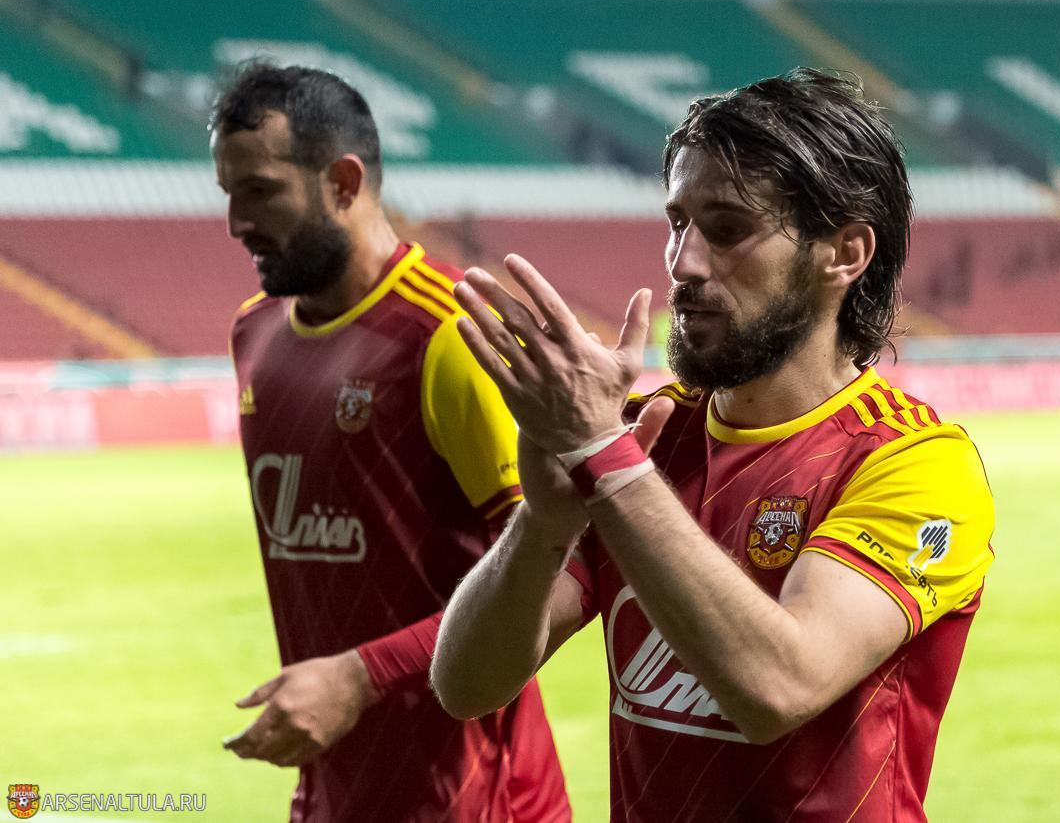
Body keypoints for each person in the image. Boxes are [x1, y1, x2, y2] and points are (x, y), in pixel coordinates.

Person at [431, 68, 996, 821]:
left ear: (844, 253)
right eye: (677, 222)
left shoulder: (914, 462)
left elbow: (779, 687)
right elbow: (467, 685)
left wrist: (605, 457)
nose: (683, 262)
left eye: (727, 229)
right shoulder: (647, 436)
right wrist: (544, 522)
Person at [212, 63, 569, 822]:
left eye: (261, 191)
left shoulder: (451, 333)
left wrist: (361, 675)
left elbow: (553, 579)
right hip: (334, 789)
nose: (237, 222)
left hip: (479, 799)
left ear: (343, 181)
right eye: (228, 193)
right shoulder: (255, 333)